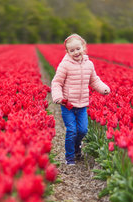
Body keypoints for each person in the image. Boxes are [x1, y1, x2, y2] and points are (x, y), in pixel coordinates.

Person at [51, 33, 110, 165]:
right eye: (72, 50)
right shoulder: (65, 65)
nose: (76, 52)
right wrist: (58, 96)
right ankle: (70, 157)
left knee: (83, 130)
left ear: (84, 47)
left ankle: (77, 148)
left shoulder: (89, 64)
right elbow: (57, 82)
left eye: (78, 49)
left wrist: (103, 88)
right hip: (68, 105)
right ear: (67, 52)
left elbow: (94, 80)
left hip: (82, 104)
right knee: (72, 130)